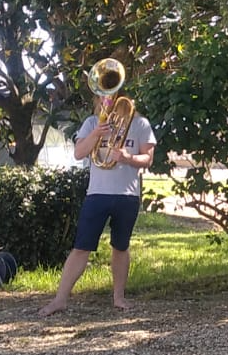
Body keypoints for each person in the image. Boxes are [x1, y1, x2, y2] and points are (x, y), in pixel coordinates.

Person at [37, 95, 157, 317]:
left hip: (127, 195)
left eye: (112, 96)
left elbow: (147, 159)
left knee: (121, 246)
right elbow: (79, 153)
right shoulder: (92, 123)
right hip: (97, 194)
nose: (107, 101)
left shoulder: (140, 124)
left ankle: (119, 298)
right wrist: (96, 133)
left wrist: (127, 157)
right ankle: (60, 299)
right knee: (81, 247)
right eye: (103, 97)